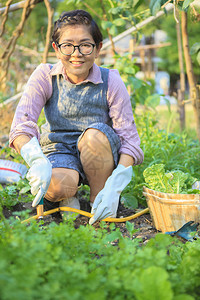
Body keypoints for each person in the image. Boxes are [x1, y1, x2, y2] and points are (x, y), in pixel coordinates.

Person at [9, 9, 144, 225]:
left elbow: (130, 141)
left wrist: (115, 185)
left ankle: (98, 201)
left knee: (94, 136)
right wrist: (36, 160)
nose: (76, 53)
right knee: (57, 186)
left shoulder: (111, 81)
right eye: (67, 45)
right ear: (56, 48)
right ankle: (65, 196)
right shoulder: (45, 76)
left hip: (98, 149)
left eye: (85, 45)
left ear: (98, 48)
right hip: (59, 149)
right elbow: (21, 127)